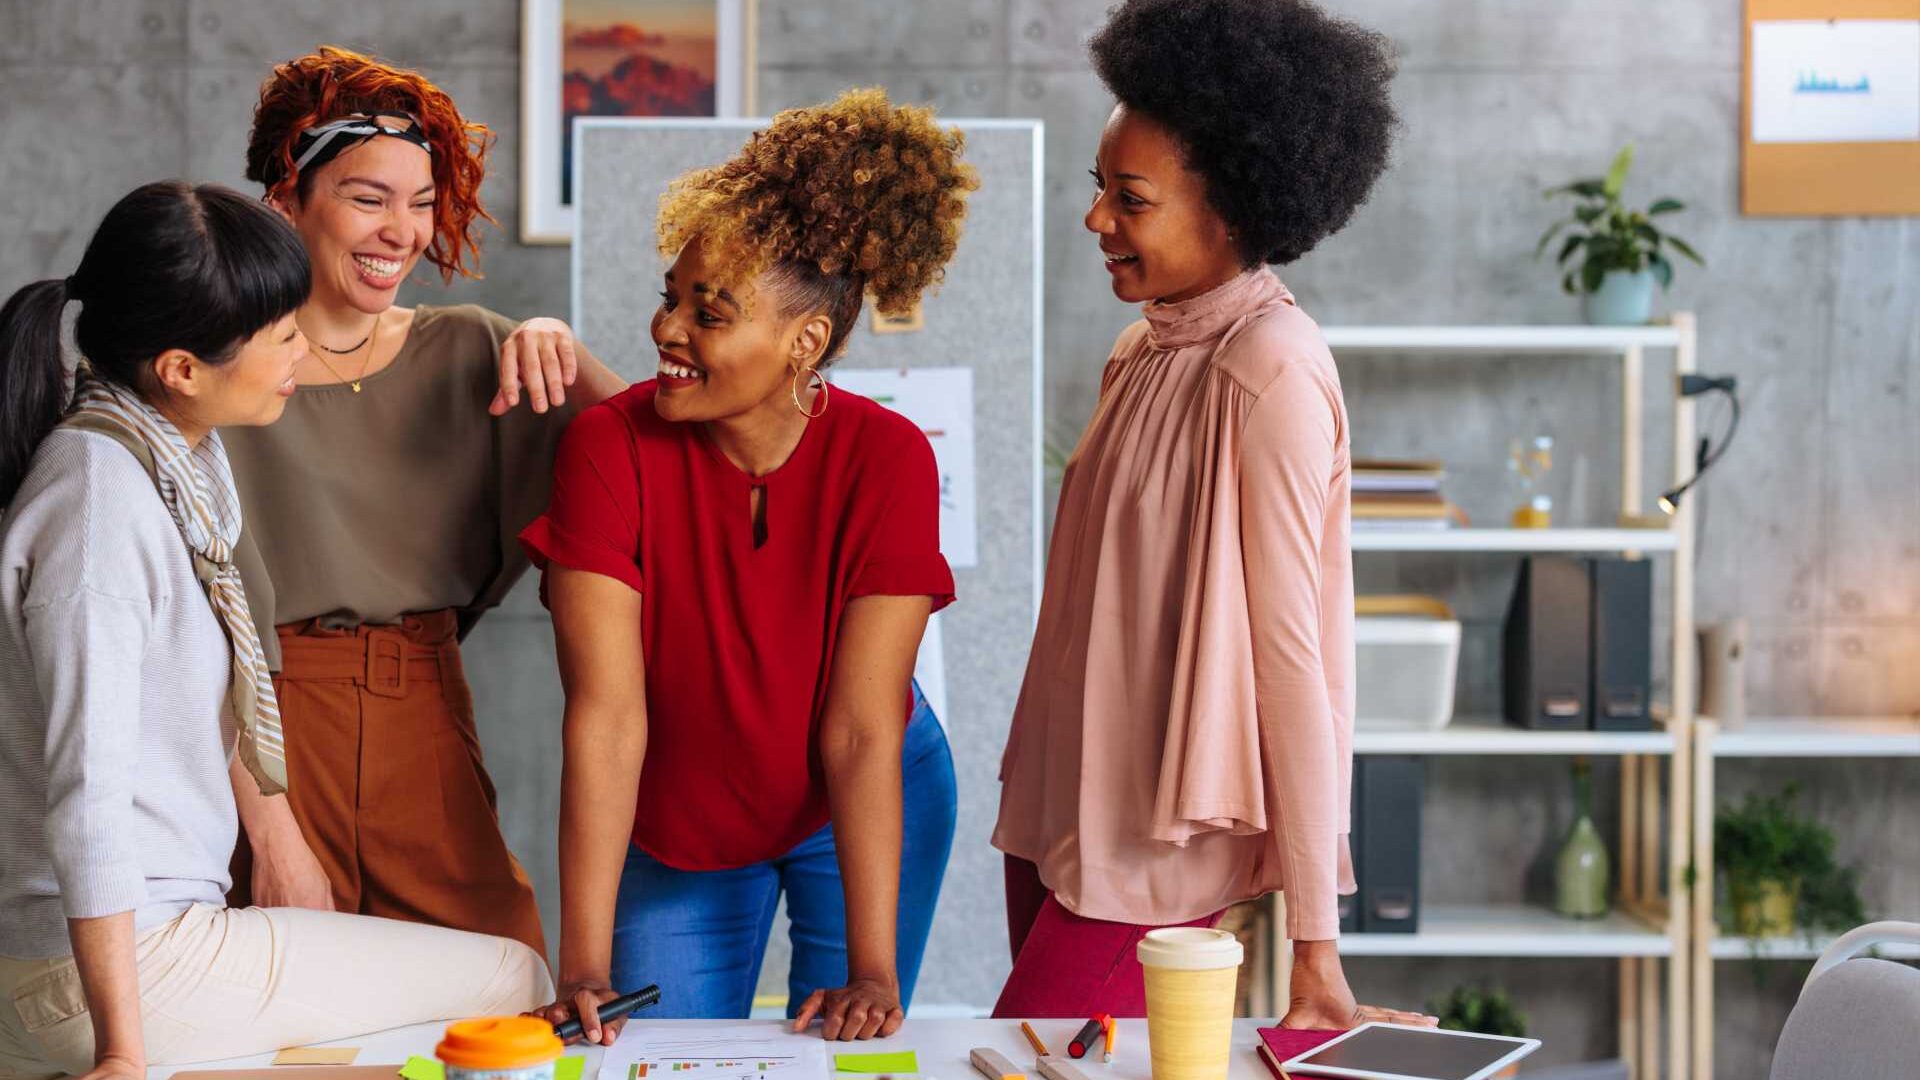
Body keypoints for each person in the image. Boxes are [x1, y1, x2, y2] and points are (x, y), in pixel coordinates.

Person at [0, 180, 551, 1080]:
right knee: (511, 974)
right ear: (180, 368)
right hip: (100, 970)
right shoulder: (98, 505)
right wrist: (123, 1054)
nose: (304, 348)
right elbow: (88, 797)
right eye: (282, 334)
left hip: (143, 938)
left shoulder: (172, 459)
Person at [991, 0, 1436, 1026]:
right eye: (1097, 190)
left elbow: (1298, 664)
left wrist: (1315, 956)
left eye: (1130, 199)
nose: (1098, 220)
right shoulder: (1141, 350)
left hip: (1154, 852)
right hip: (1059, 813)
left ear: (1231, 209)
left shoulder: (1271, 372)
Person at [524, 88, 973, 1043]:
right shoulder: (607, 447)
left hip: (851, 789)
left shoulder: (888, 456)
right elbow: (605, 717)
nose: (666, 331)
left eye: (709, 312)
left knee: (842, 1049)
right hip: (682, 817)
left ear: (804, 342)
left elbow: (859, 728)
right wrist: (585, 964)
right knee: (650, 1053)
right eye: (670, 297)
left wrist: (874, 969)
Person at [221, 46, 628, 956]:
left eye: (421, 203)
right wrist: (271, 832)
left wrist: (561, 339)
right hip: (266, 733)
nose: (402, 232)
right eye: (369, 198)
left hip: (427, 720)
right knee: (293, 1024)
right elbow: (188, 628)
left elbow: (660, 460)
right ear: (286, 199)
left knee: (505, 986)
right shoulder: (218, 370)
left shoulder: (477, 351)